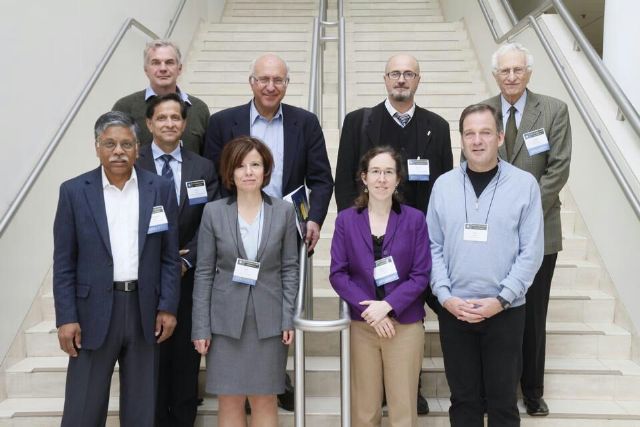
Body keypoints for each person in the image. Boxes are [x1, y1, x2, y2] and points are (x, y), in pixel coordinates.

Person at [334, 52, 452, 414]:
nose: (401, 79)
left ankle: (407, 385)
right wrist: (354, 231)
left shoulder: (437, 125)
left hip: (415, 238)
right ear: (385, 79)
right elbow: (342, 179)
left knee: (409, 311)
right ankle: (379, 388)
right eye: (395, 74)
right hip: (368, 234)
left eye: (409, 74)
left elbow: (444, 184)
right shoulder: (359, 121)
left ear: (418, 79)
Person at [53, 111, 180, 426]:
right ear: (97, 147)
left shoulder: (160, 188)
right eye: (110, 144)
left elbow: (168, 255)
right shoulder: (73, 192)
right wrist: (66, 317)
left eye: (126, 144)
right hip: (92, 312)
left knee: (141, 410)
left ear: (139, 147)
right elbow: (64, 262)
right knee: (83, 410)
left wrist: (167, 307)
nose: (118, 151)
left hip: (144, 311)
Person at [427, 103, 544, 426]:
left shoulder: (525, 186)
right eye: (470, 134)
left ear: (501, 137)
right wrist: (445, 296)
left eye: (485, 133)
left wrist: (501, 299)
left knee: (504, 403)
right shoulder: (443, 186)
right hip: (455, 311)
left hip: (505, 311)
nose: (477, 141)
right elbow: (432, 246)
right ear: (461, 140)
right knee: (463, 402)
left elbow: (531, 252)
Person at [482, 42, 572, 416]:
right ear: (496, 75)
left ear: (529, 73)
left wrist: (527, 213)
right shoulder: (483, 112)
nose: (512, 76)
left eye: (518, 70)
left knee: (533, 314)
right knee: (500, 315)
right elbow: (473, 165)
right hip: (495, 235)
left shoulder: (553, 110)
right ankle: (499, 388)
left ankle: (532, 390)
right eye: (505, 71)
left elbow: (559, 168)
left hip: (542, 231)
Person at [191, 136, 299, 426]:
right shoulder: (213, 212)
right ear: (230, 171)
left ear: (266, 170)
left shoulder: (284, 212)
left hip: (269, 321)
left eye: (255, 164)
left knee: (265, 398)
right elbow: (203, 272)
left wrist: (288, 317)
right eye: (240, 165)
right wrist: (200, 326)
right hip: (224, 322)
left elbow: (290, 268)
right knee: (230, 398)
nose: (248, 171)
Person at [330, 146, 431, 427]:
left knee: (403, 410)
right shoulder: (346, 221)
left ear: (398, 179)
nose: (382, 179)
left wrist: (387, 306)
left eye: (389, 172)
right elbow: (338, 274)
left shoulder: (414, 220)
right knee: (364, 410)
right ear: (364, 177)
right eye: (375, 171)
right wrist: (371, 311)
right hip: (363, 326)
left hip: (405, 325)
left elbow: (421, 274)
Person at [136, 93, 219, 426]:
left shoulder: (203, 167)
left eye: (175, 118)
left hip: (190, 277)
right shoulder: (133, 162)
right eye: (162, 118)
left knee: (185, 360)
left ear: (184, 124)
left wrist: (186, 261)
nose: (169, 124)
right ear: (149, 123)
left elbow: (210, 223)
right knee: (150, 359)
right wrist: (159, 258)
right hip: (145, 277)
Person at [202, 53, 333, 254]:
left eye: (278, 80)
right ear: (252, 82)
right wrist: (223, 222)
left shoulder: (306, 123)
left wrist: (314, 219)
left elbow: (322, 180)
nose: (271, 87)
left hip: (288, 229)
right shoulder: (222, 123)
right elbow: (212, 179)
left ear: (287, 84)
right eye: (264, 79)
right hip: (235, 229)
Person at [113, 39, 210, 154]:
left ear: (179, 69)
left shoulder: (199, 109)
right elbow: (112, 154)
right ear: (146, 70)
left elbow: (206, 159)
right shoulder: (125, 108)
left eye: (169, 62)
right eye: (156, 63)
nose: (163, 69)